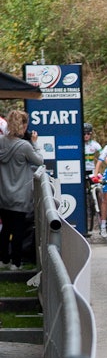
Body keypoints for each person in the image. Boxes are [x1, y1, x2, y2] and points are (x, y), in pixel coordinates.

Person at [0, 109, 43, 270]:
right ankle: (16, 262)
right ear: (23, 126)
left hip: (3, 194)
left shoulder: (1, 141)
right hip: (20, 195)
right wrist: (35, 143)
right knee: (18, 229)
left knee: (6, 228)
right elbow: (39, 161)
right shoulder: (25, 146)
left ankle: (3, 259)